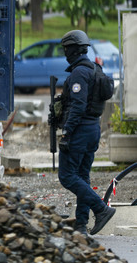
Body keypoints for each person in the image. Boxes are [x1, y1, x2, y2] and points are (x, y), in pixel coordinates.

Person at [57, 29, 116, 235]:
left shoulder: (79, 73)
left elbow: (78, 105)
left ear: (73, 50)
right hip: (93, 129)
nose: (65, 53)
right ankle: (81, 225)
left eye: (66, 49)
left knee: (67, 176)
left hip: (80, 130)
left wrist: (67, 133)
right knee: (82, 175)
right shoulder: (95, 69)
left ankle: (101, 209)